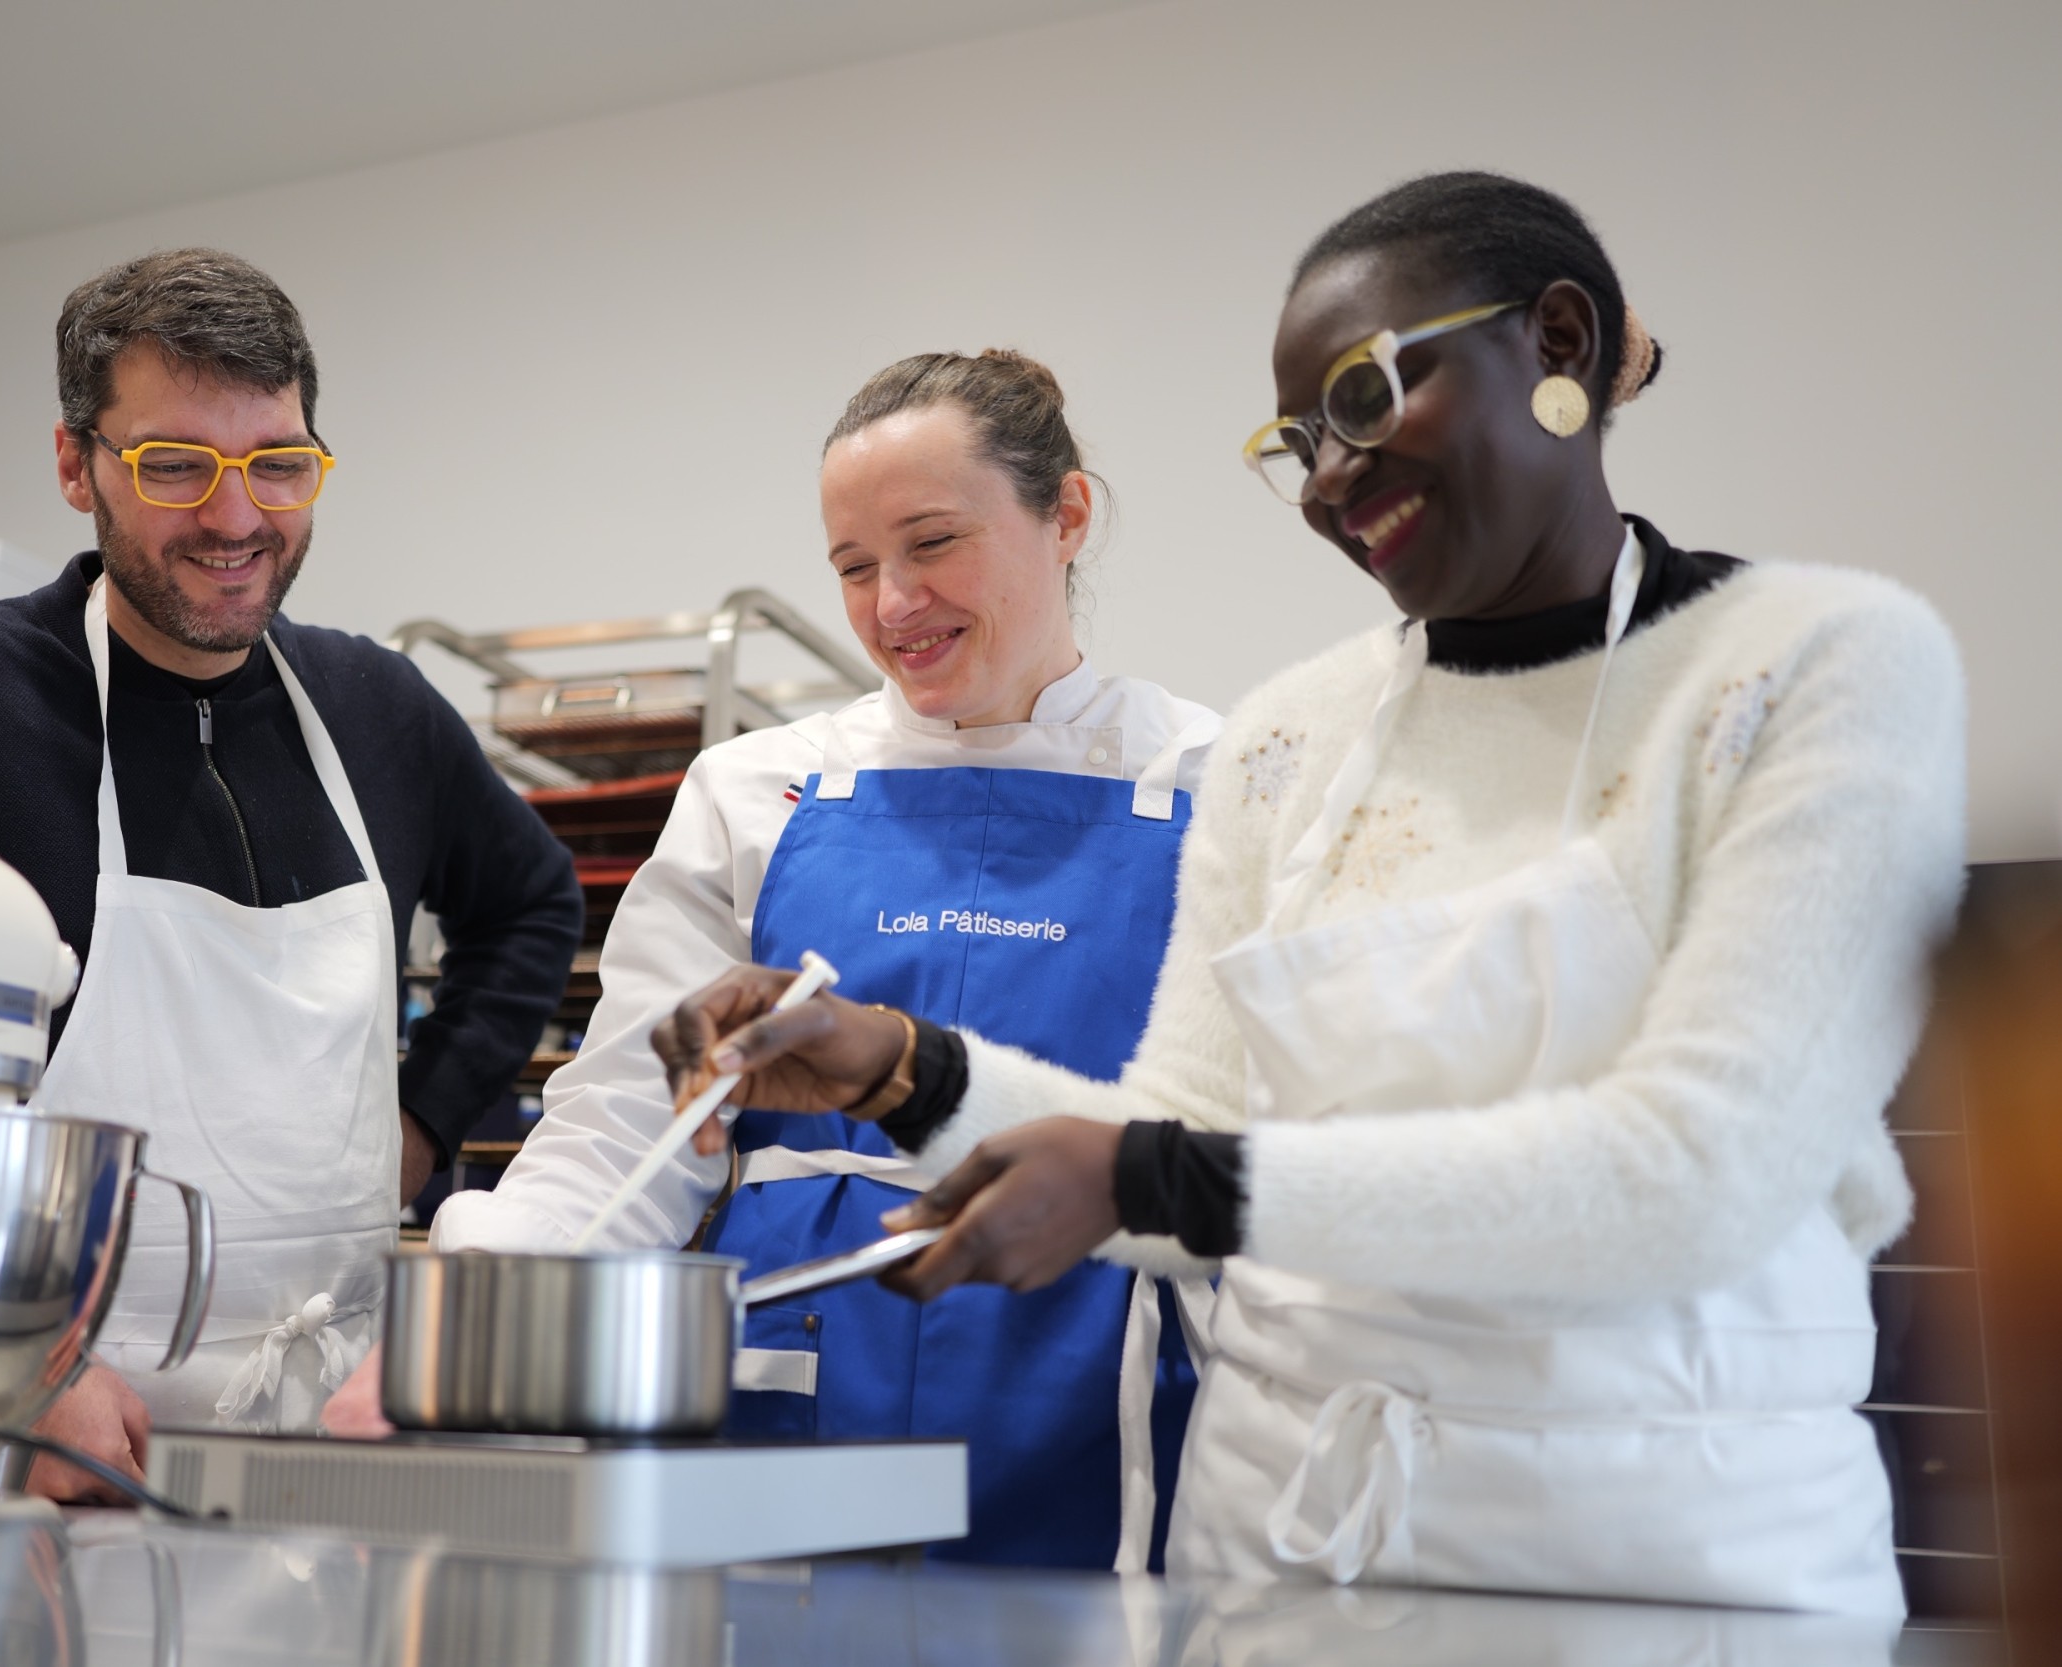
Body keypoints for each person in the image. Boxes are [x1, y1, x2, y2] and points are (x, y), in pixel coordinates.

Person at [650, 173, 1965, 1614]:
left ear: (1560, 346)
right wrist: (905, 1067)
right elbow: (1166, 1157)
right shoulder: (1294, 737)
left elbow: (1694, 1177)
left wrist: (1148, 1170)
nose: (1333, 480)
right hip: (1291, 1557)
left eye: (1362, 400)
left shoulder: (1809, 669)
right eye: (1296, 443)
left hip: (1660, 1566)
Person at [331, 350, 1217, 1570]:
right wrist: (481, 1333)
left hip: (1094, 1414)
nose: (891, 602)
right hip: (785, 1403)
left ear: (1065, 515)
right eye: (853, 566)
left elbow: (1254, 1154)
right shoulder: (757, 789)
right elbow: (629, 1127)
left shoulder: (1213, 784)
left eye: (932, 543)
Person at [0, 248, 582, 1497]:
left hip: (333, 1442)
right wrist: (11, 1353)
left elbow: (531, 901)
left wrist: (421, 1125)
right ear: (72, 464)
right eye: (172, 466)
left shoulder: (375, 708)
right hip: (7, 1437)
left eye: (277, 463)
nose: (235, 516)